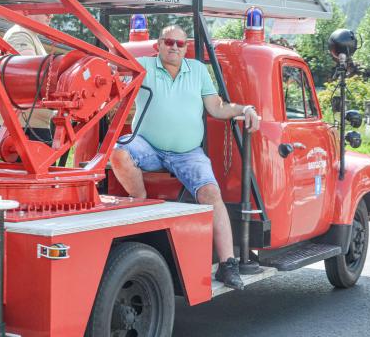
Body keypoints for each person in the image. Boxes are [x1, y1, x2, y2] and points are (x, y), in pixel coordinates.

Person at [110, 25, 260, 289]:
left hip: (188, 153)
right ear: (158, 44)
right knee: (118, 152)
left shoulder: (198, 71)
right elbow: (114, 67)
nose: (174, 47)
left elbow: (217, 107)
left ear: (185, 48)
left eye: (180, 44)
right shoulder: (143, 66)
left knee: (212, 194)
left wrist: (245, 108)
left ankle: (228, 265)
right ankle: (141, 201)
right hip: (149, 146)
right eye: (169, 42)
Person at [0, 14, 55, 142]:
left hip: (30, 125)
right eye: (46, 12)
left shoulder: (29, 35)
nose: (50, 16)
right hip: (25, 126)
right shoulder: (20, 34)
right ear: (28, 11)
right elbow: (28, 73)